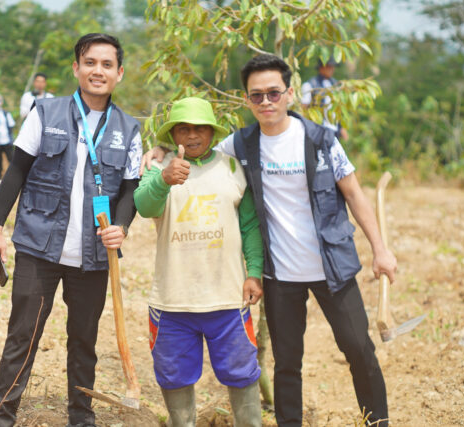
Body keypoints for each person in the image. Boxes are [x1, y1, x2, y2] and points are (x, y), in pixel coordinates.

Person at [142, 54, 397, 427]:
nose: (266, 102)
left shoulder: (321, 140)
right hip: (281, 275)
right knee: (287, 361)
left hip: (332, 268)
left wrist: (381, 250)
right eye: (257, 95)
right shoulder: (240, 145)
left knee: (359, 349)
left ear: (290, 94)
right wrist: (161, 152)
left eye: (274, 93)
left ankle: (378, 422)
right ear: (247, 100)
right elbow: (195, 148)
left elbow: (355, 194)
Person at [0, 33, 143, 427]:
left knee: (84, 342)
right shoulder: (45, 112)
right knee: (23, 336)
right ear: (76, 68)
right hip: (40, 247)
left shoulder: (130, 128)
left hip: (94, 257)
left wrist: (121, 226)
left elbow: (130, 189)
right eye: (90, 62)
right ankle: (3, 416)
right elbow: (16, 170)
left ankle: (81, 416)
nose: (98, 71)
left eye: (107, 65)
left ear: (119, 73)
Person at [134, 97, 264, 427]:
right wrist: (164, 179)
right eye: (184, 129)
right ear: (173, 134)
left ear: (212, 131)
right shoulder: (156, 169)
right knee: (174, 376)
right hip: (173, 302)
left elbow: (249, 225)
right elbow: (145, 207)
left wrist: (255, 272)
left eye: (200, 129)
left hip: (228, 297)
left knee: (242, 373)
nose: (192, 136)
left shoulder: (231, 167)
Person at [301, 57, 349, 141]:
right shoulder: (310, 85)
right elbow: (304, 109)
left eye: (332, 67)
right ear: (321, 67)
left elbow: (338, 109)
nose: (332, 69)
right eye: (329, 67)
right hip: (317, 130)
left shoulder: (336, 85)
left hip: (334, 130)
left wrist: (341, 128)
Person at [0, 94, 16, 180]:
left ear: (1, 102)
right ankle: (0, 177)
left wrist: (11, 139)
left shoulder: (6, 114)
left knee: (12, 159)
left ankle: (14, 177)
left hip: (6, 141)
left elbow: (11, 126)